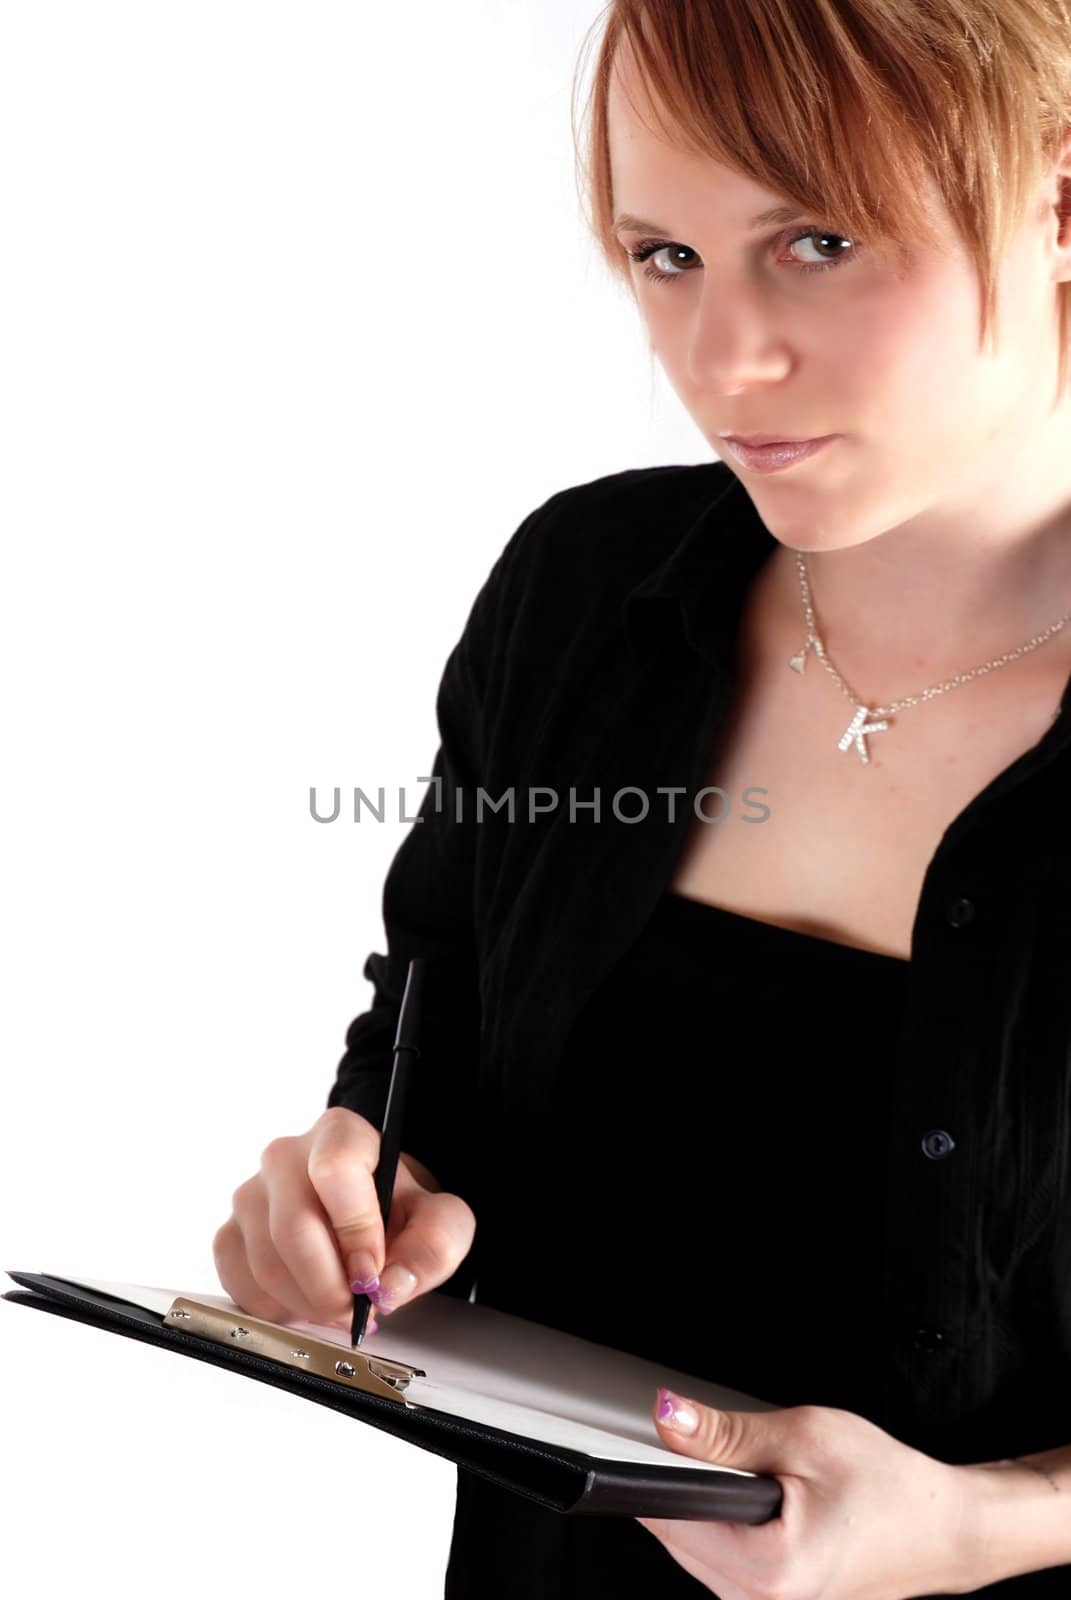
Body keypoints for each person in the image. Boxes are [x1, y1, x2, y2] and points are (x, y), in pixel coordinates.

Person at [212, 2, 1071, 1595]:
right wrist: (350, 1209)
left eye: (819, 240)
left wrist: (993, 1527)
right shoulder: (585, 595)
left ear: (1062, 202)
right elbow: (428, 1039)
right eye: (665, 255)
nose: (720, 359)